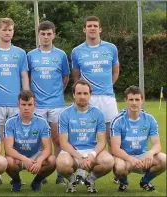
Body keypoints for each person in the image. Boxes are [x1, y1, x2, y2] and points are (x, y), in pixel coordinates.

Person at [71, 16, 120, 183]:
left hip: (107, 98)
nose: (92, 28)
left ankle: (118, 173)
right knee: (85, 135)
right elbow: (76, 78)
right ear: (84, 29)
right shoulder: (77, 51)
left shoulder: (111, 48)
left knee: (111, 136)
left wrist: (105, 88)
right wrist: (88, 93)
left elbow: (115, 72)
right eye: (89, 26)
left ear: (100, 29)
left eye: (95, 26)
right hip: (88, 99)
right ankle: (81, 172)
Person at [0, 17, 29, 185]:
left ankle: (14, 176)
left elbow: (24, 76)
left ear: (13, 32)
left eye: (10, 30)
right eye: (4, 30)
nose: (7, 32)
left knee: (13, 142)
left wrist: (26, 98)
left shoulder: (20, 53)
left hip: (15, 104)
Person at [26, 21, 70, 185]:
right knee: (38, 141)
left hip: (56, 104)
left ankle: (60, 173)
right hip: (37, 105)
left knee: (58, 139)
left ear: (54, 35)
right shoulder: (30, 55)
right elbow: (28, 77)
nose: (45, 37)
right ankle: (41, 172)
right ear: (38, 35)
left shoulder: (61, 55)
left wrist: (56, 91)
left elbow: (65, 77)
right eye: (42, 34)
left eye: (49, 34)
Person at [56, 80, 115, 193]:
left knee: (109, 161)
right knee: (61, 164)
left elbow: (102, 141)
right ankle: (72, 179)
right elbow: (63, 143)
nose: (82, 96)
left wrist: (92, 155)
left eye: (85, 93)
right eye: (79, 93)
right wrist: (79, 157)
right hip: (71, 152)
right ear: (73, 95)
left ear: (90, 95)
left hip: (91, 151)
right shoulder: (65, 114)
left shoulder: (98, 113)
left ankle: (90, 179)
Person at [111, 85, 166, 192]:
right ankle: (123, 182)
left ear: (142, 101)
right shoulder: (118, 120)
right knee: (119, 168)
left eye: (137, 99)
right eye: (131, 99)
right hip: (124, 157)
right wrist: (131, 159)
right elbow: (115, 149)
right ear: (126, 100)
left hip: (142, 156)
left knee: (164, 160)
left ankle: (145, 181)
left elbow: (157, 144)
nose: (134, 103)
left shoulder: (150, 119)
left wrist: (150, 153)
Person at [4, 90, 56, 192]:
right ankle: (16, 181)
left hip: (35, 156)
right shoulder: (10, 122)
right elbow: (8, 149)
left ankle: (36, 182)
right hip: (18, 157)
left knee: (52, 160)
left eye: (29, 104)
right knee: (8, 161)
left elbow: (48, 148)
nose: (26, 108)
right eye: (23, 104)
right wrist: (24, 159)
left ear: (34, 105)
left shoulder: (42, 122)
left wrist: (40, 160)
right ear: (18, 105)